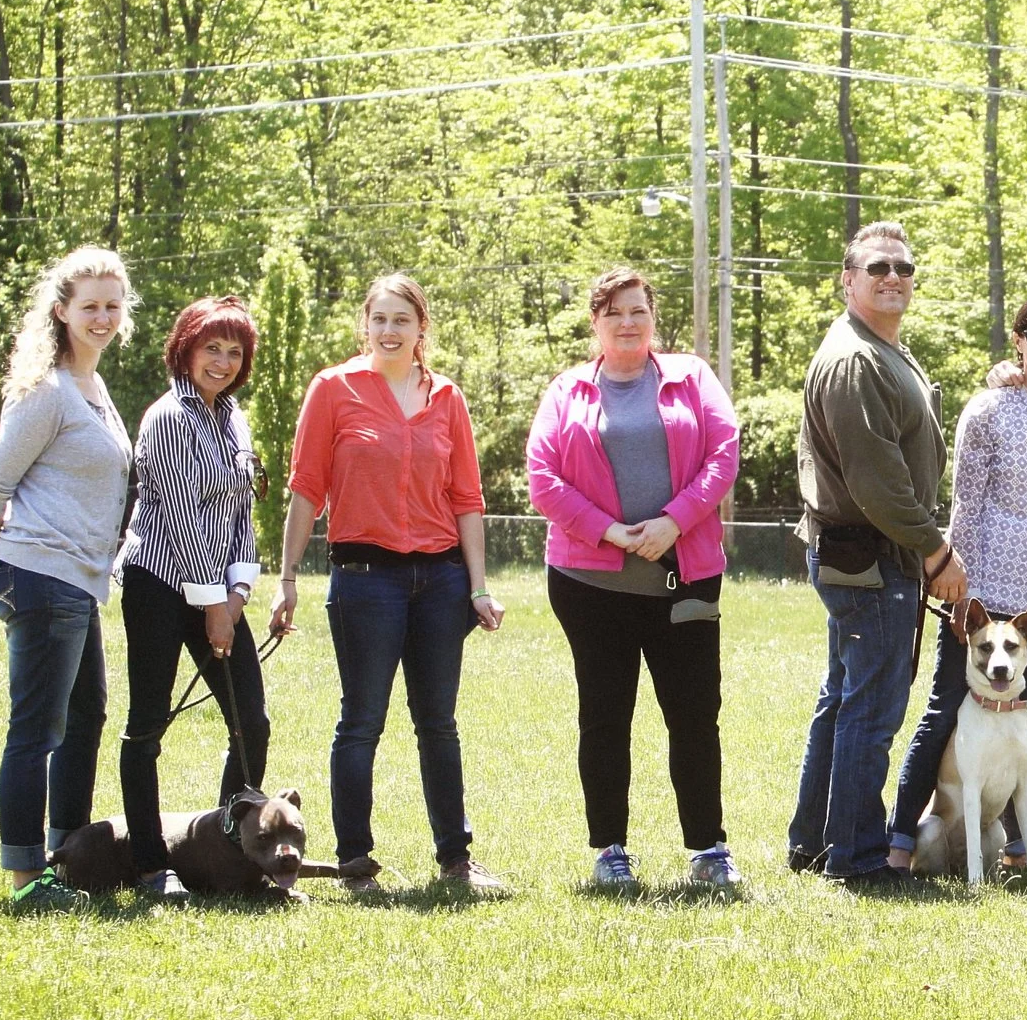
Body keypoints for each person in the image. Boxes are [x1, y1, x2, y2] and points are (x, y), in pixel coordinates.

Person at [271, 273, 508, 895]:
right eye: (379, 319)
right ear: (365, 326)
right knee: (361, 722)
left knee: (439, 723)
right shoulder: (334, 389)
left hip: (440, 581)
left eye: (402, 320)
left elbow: (467, 499)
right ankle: (355, 863)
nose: (390, 330)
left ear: (421, 329)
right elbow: (305, 488)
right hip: (363, 578)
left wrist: (478, 586)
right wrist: (288, 577)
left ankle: (456, 858)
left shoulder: (447, 398)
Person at [528, 268, 743, 891]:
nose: (628, 322)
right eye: (615, 312)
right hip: (589, 583)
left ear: (653, 317)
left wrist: (674, 523)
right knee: (604, 715)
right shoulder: (567, 391)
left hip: (686, 578)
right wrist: (610, 531)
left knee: (695, 716)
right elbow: (543, 477)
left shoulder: (692, 378)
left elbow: (723, 453)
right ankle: (610, 851)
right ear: (595, 322)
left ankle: (709, 848)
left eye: (638, 310)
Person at [885, 295, 1027, 876]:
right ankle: (902, 838)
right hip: (985, 589)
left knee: (1024, 718)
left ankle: (1015, 848)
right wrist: (954, 585)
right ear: (1018, 339)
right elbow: (967, 503)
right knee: (943, 712)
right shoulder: (987, 409)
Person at [787, 221, 966, 888]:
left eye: (904, 267)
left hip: (869, 553)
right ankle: (859, 856)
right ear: (848, 279)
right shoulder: (855, 358)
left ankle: (814, 842)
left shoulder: (882, 347)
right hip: (874, 556)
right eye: (878, 267)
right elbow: (877, 482)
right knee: (871, 707)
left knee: (843, 699)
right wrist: (934, 551)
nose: (894, 276)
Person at [0, 247, 136, 911]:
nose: (101, 317)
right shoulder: (49, 391)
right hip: (38, 573)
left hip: (79, 582)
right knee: (37, 728)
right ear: (62, 311)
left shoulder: (92, 389)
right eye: (89, 306)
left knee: (86, 714)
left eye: (112, 306)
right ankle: (26, 879)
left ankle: (69, 857)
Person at [116, 296, 282, 902]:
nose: (223, 361)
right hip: (159, 582)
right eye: (212, 348)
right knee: (146, 727)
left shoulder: (232, 417)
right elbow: (187, 520)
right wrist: (216, 606)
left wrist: (237, 594)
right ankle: (149, 864)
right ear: (185, 348)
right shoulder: (168, 417)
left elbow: (240, 513)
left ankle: (224, 842)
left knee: (251, 723)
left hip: (219, 585)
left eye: (234, 352)